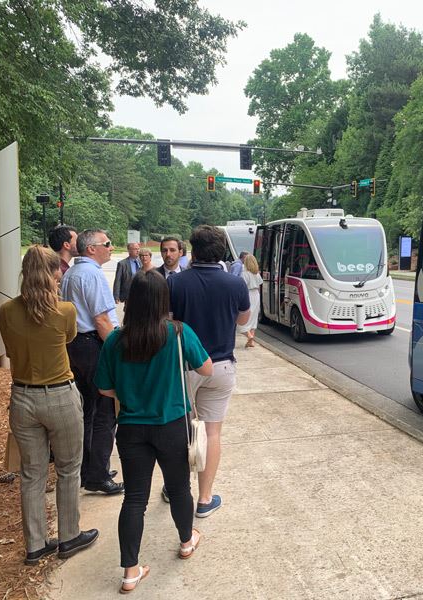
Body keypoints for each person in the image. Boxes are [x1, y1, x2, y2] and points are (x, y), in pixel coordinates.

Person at [95, 271, 213, 593]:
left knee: (134, 499)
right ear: (163, 301)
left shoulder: (116, 340)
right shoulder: (178, 333)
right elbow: (207, 368)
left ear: (132, 301)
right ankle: (187, 541)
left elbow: (104, 389)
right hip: (172, 425)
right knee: (178, 490)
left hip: (132, 429)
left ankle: (130, 571)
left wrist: (131, 391)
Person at [0, 245, 98, 565]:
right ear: (54, 273)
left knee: (32, 473)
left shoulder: (6, 311)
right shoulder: (65, 310)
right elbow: (68, 340)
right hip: (59, 394)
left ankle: (35, 543)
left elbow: (12, 352)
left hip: (22, 396)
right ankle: (69, 536)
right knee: (69, 469)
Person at [163, 225, 250, 517]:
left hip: (184, 366)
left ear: (193, 250)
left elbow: (166, 322)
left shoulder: (175, 283)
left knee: (180, 431)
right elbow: (243, 320)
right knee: (212, 433)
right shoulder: (235, 284)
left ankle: (174, 489)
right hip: (221, 366)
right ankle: (204, 499)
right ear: (221, 251)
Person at [60, 229, 124, 495]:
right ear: (91, 249)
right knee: (105, 411)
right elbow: (101, 320)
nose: (111, 247)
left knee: (88, 411)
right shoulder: (92, 274)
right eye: (107, 244)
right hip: (93, 345)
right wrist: (115, 352)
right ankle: (97, 474)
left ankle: (89, 468)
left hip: (76, 346)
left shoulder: (72, 273)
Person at [240, 253, 263, 348]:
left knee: (243, 319)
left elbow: (242, 287)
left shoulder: (244, 274)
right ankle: (251, 340)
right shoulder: (257, 274)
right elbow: (259, 285)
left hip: (248, 294)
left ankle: (248, 335)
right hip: (256, 295)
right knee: (253, 317)